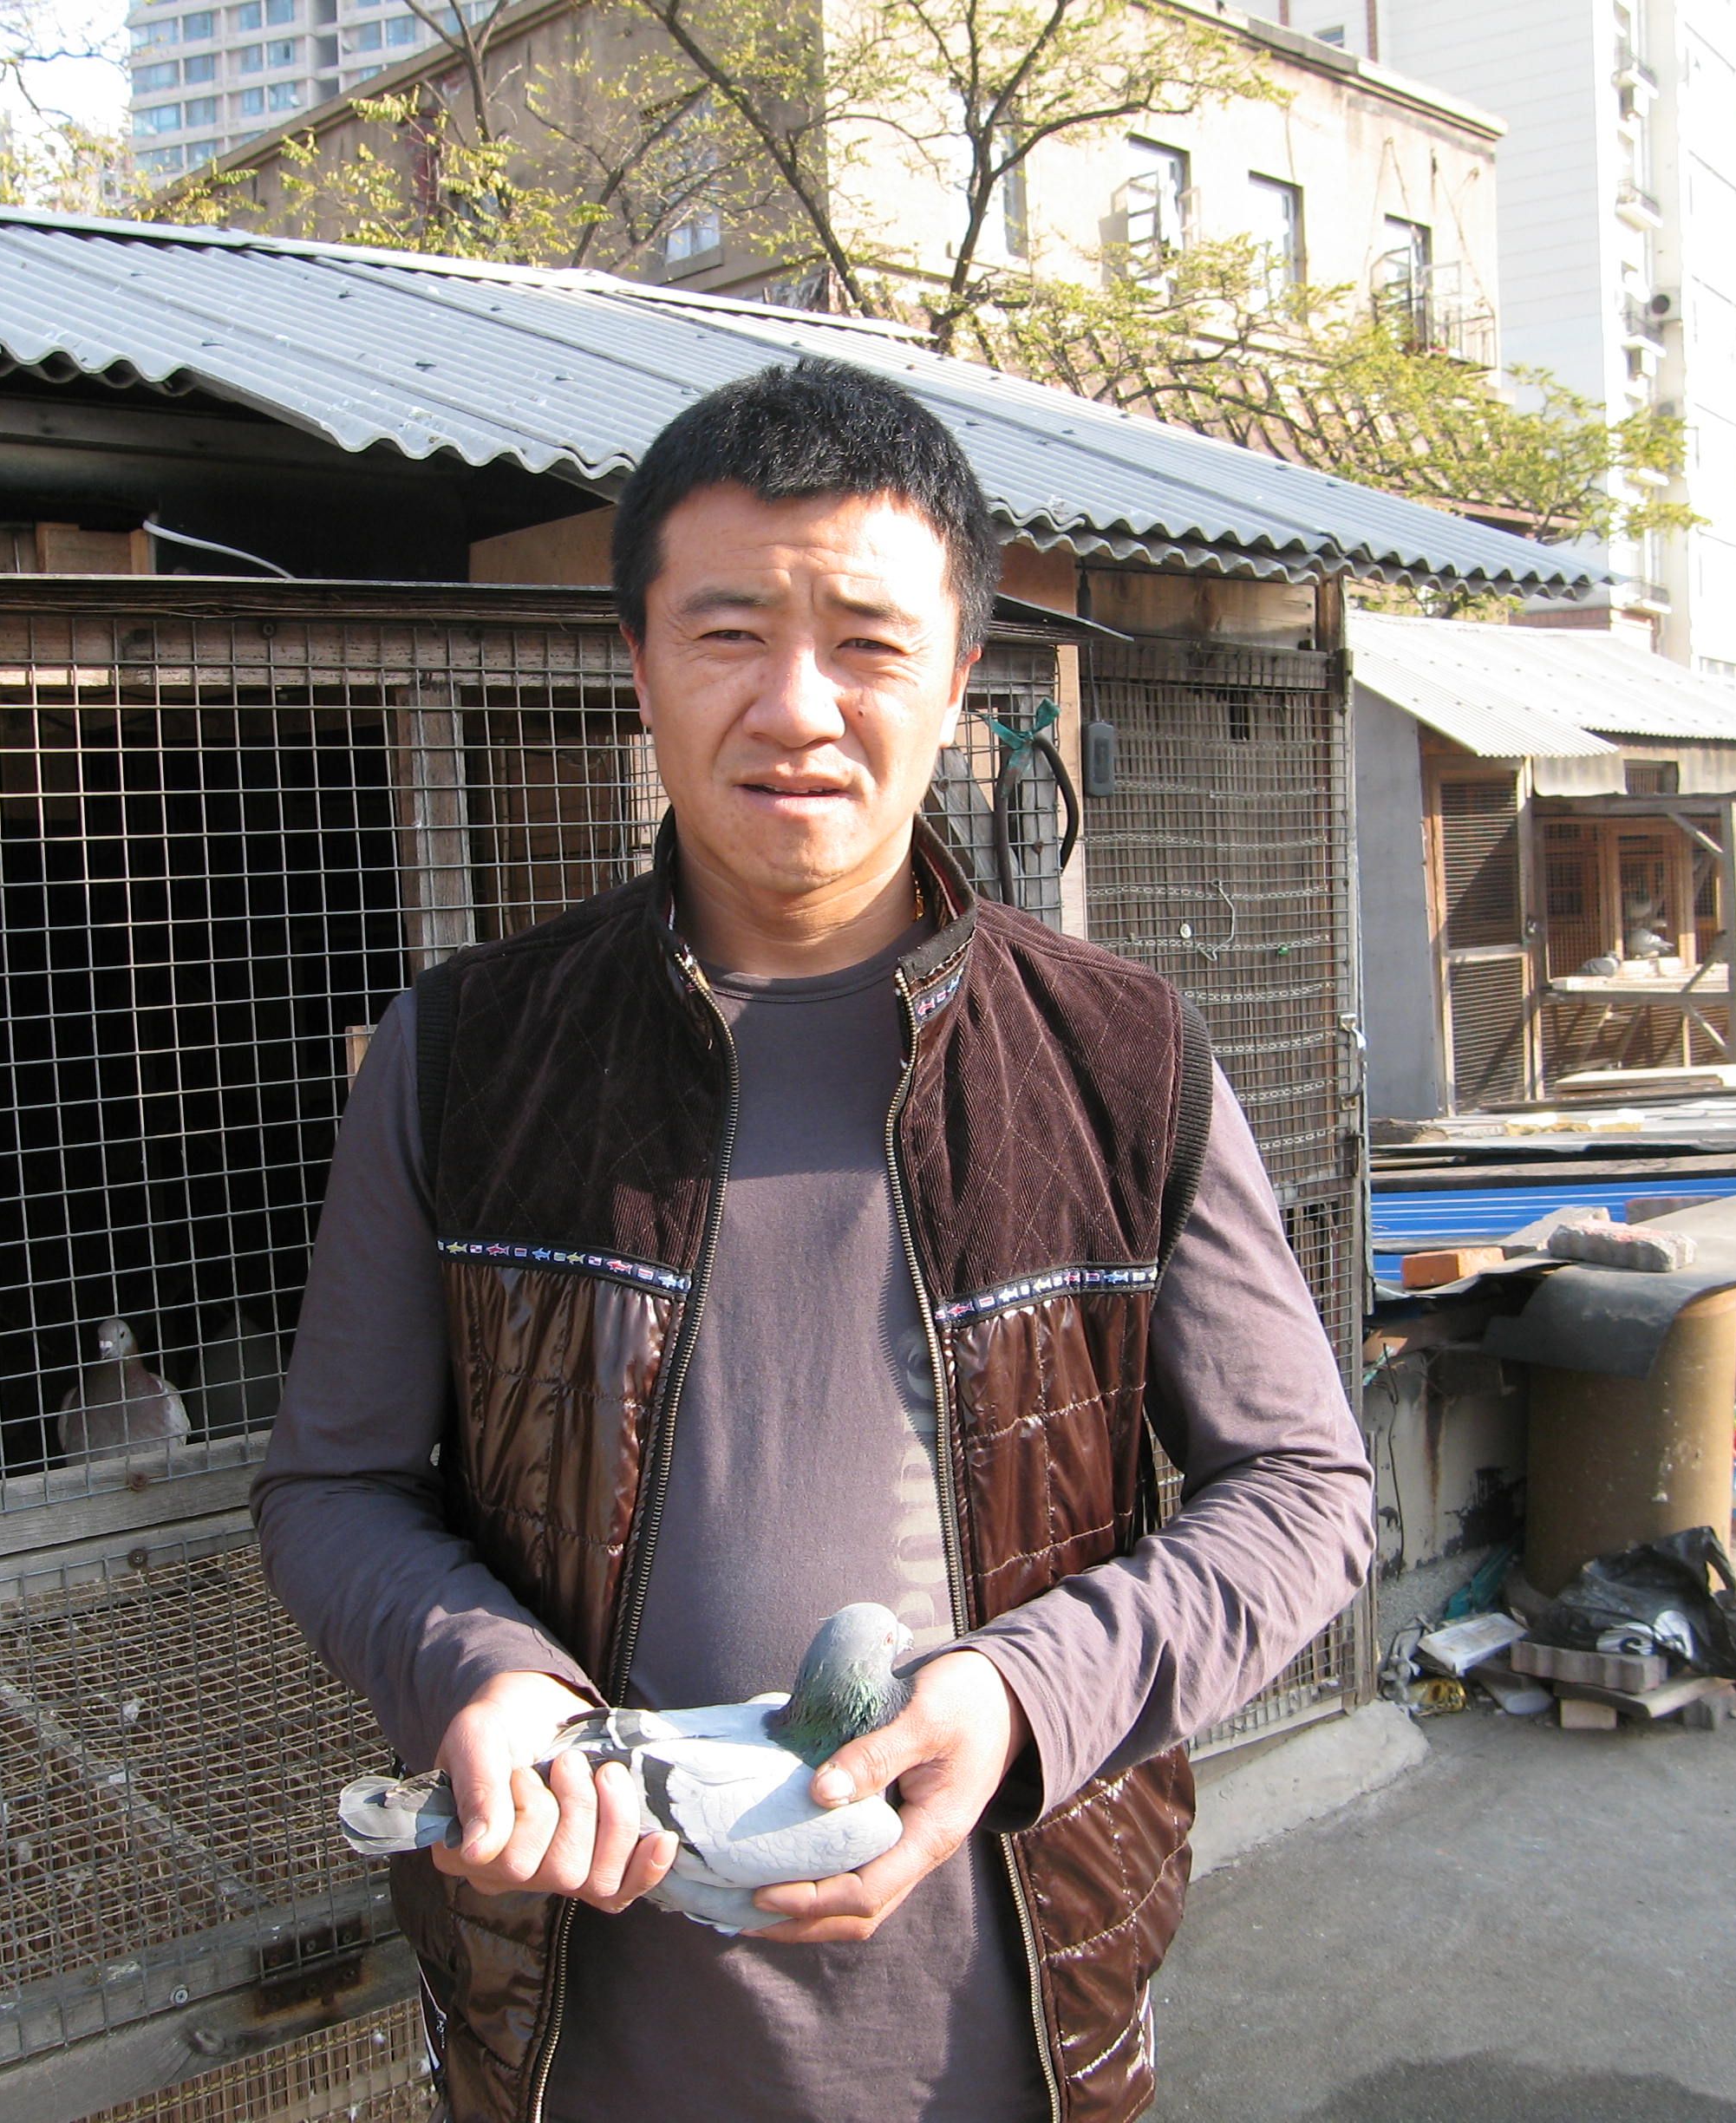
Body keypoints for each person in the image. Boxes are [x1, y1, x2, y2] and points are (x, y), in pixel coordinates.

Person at [252, 359, 1374, 2123]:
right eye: (726, 635)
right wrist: (481, 1671)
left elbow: (1307, 1495)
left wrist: (1028, 1694)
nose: (795, 708)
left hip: (1017, 2051)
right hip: (580, 2056)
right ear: (639, 664)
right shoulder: (465, 1057)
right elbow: (332, 1488)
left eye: (866, 642)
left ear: (958, 676)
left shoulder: (1123, 1060)